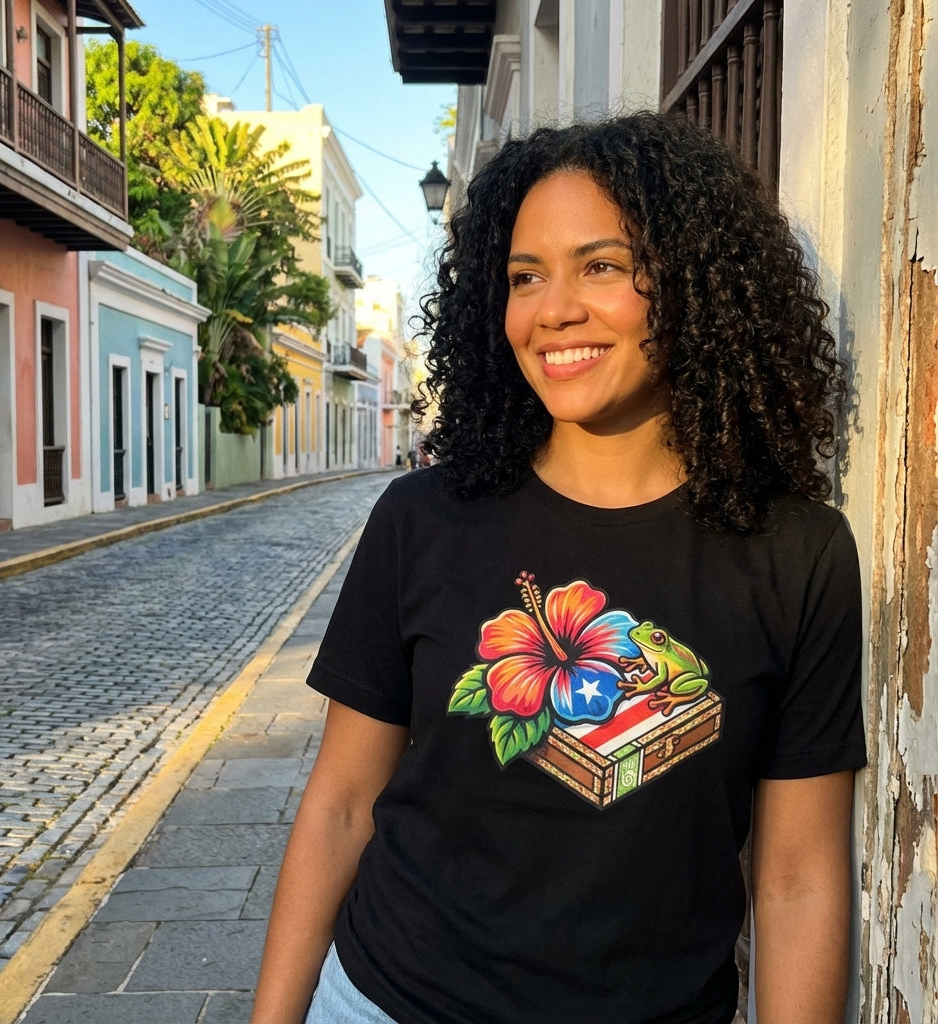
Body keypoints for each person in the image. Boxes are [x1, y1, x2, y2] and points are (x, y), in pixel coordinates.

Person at [249, 110, 866, 1024]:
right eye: (524, 276)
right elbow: (342, 803)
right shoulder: (423, 519)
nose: (554, 310)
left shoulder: (797, 551)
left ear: (693, 283)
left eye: (602, 266)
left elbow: (799, 879)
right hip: (386, 1002)